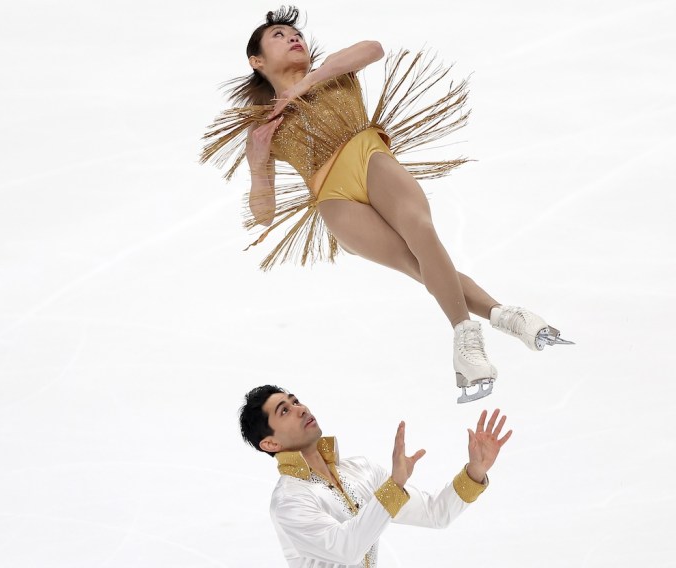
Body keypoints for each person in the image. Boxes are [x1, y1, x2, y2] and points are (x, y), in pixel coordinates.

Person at [202, 7, 572, 403]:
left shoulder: (332, 71)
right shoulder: (262, 127)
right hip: (333, 198)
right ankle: (501, 321)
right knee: (418, 267)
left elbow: (373, 48)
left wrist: (307, 83)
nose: (294, 38)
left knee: (422, 233)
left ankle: (480, 331)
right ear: (256, 61)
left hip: (369, 158)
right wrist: (258, 163)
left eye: (296, 34)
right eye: (278, 35)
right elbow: (263, 214)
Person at [239, 384, 513, 567]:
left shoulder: (361, 470)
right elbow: (347, 548)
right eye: (284, 411)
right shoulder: (290, 501)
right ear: (270, 444)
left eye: (295, 401)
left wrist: (475, 471)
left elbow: (434, 514)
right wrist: (393, 486)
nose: (301, 409)